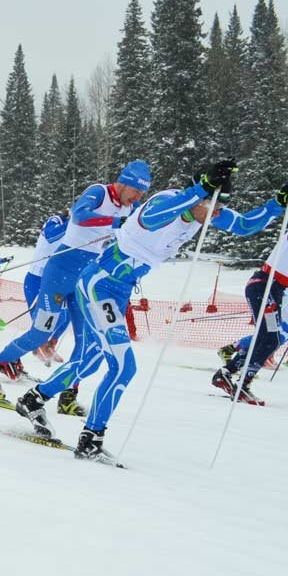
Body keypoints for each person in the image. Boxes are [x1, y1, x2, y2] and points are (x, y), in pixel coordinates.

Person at [15, 161, 286, 462]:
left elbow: (246, 225)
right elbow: (152, 220)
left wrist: (277, 203)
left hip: (118, 291)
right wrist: (199, 191)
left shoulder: (201, 211)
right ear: (199, 199)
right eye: (213, 206)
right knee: (123, 366)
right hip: (98, 284)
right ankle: (91, 438)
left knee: (91, 358)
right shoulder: (166, 202)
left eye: (220, 208)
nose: (217, 215)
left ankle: (33, 399)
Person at [0, 162, 150, 414]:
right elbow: (80, 215)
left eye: (142, 195)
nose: (137, 198)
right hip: (60, 271)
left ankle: (67, 398)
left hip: (87, 279)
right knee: (40, 333)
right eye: (136, 191)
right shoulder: (99, 192)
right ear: (124, 183)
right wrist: (117, 221)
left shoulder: (130, 207)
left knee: (84, 343)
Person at [212, 220, 288, 404]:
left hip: (272, 289)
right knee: (272, 338)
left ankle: (227, 372)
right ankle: (242, 383)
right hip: (265, 286)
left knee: (267, 337)